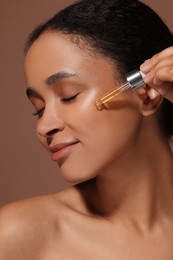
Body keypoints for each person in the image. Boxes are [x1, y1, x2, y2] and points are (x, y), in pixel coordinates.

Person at [1, 0, 173, 259]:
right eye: (38, 108)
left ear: (147, 93)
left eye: (69, 96)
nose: (44, 126)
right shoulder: (20, 235)